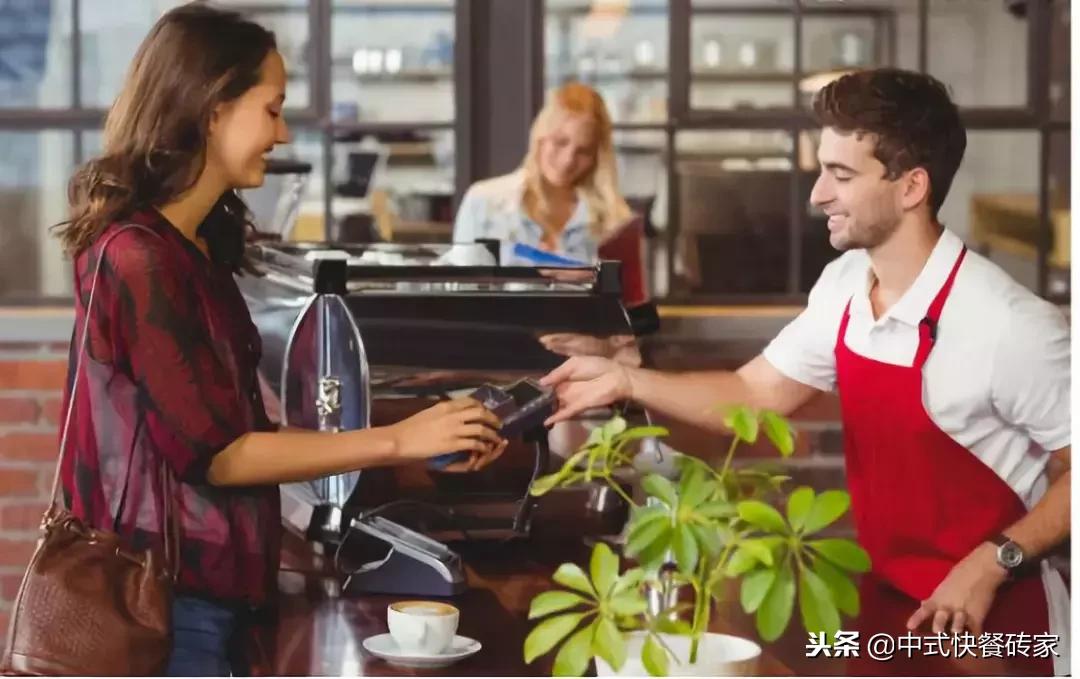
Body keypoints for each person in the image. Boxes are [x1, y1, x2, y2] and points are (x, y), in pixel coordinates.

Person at [540, 68, 1069, 675]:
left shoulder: (1011, 323)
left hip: (998, 624)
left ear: (911, 187)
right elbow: (753, 393)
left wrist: (992, 560)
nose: (816, 194)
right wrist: (625, 377)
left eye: (840, 175)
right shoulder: (845, 287)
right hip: (890, 607)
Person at [53, 4, 505, 676]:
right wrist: (399, 440)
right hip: (166, 605)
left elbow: (234, 420)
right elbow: (221, 454)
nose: (283, 132)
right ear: (211, 108)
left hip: (207, 594)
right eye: (271, 108)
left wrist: (428, 431)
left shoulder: (191, 249)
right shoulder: (138, 258)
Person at [453, 82, 647, 365]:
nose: (568, 160)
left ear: (597, 156)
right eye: (560, 142)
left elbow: (647, 315)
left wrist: (606, 346)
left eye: (583, 151)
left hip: (588, 379)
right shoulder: (485, 203)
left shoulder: (616, 221)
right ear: (540, 137)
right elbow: (458, 302)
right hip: (496, 368)